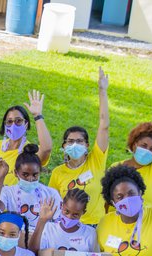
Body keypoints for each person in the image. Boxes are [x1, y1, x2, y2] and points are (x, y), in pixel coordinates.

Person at [47, 67, 110, 226]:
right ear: (64, 146)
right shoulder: (57, 173)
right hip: (67, 227)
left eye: (80, 141)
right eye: (70, 141)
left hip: (94, 227)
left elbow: (104, 125)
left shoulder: (96, 160)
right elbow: (52, 204)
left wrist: (102, 91)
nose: (75, 144)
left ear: (87, 145)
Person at [0, 91, 52, 196]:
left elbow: (46, 148)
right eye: (9, 122)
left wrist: (37, 116)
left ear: (26, 124)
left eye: (18, 121)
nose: (13, 125)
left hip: (15, 208)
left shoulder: (30, 152)